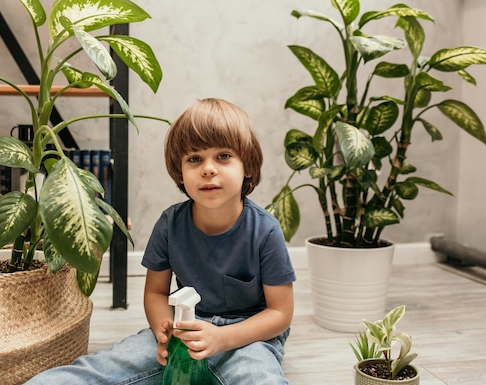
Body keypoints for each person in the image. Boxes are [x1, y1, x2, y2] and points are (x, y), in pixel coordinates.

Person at [25, 98, 296, 384]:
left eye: (223, 156)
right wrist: (163, 332)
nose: (208, 169)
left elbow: (280, 313)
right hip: (185, 327)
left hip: (248, 338)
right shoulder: (170, 224)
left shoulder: (264, 230)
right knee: (101, 369)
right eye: (195, 159)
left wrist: (222, 338)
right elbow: (156, 293)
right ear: (180, 172)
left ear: (248, 166)